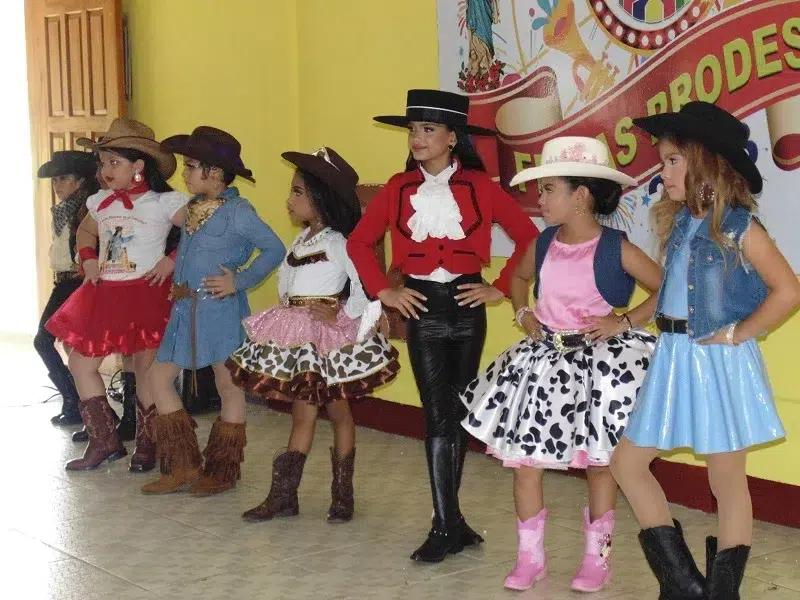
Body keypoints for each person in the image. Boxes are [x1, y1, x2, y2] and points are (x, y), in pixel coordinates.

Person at [610, 101, 800, 600]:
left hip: (718, 363)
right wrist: (627, 320)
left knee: (726, 481)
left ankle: (721, 592)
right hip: (673, 358)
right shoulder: (679, 227)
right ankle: (682, 583)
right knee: (627, 463)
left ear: (707, 163)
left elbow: (788, 290)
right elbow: (669, 293)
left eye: (673, 159)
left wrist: (739, 333)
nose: (663, 170)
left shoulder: (740, 229)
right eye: (663, 160)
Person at [461, 136, 661, 592]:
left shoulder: (615, 247)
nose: (540, 198)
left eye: (549, 189)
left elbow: (665, 289)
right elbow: (519, 278)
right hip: (544, 366)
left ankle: (598, 558)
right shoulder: (544, 242)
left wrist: (623, 320)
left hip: (599, 371)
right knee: (525, 464)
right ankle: (530, 558)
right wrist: (522, 311)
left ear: (582, 196)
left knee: (598, 464)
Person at [346, 89, 537, 562]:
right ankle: (445, 525)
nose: (417, 138)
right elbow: (359, 242)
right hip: (422, 309)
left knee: (458, 413)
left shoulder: (481, 185)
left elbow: (529, 238)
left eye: (428, 130)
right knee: (436, 415)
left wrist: (499, 286)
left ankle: (450, 523)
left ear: (454, 137)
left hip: (467, 307)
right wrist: (385, 291)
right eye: (413, 130)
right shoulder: (397, 187)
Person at [228, 147, 399, 521]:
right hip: (300, 339)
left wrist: (341, 311)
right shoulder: (301, 241)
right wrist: (287, 313)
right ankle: (284, 495)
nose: (288, 200)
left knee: (338, 411)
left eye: (297, 192)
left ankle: (342, 494)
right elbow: (287, 285)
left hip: (327, 340)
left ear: (320, 200)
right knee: (302, 413)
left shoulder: (338, 243)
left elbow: (364, 286)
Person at [141, 126, 284, 496]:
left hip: (220, 311)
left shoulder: (238, 211)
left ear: (215, 172)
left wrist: (240, 280)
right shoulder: (192, 208)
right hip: (184, 309)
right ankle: (183, 464)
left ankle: (222, 470)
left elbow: (274, 249)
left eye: (191, 166)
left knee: (228, 385)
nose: (184, 173)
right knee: (158, 378)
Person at [46, 118, 187, 471]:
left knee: (144, 369)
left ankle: (147, 443)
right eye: (102, 163)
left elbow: (202, 235)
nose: (105, 171)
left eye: (114, 163)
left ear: (138, 165)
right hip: (105, 294)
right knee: (80, 361)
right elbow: (84, 231)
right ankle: (104, 440)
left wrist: (172, 260)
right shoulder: (100, 202)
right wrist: (89, 259)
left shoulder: (164, 202)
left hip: (146, 293)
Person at [34, 151, 99, 426]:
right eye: (54, 180)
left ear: (80, 181)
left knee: (46, 340)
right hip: (63, 281)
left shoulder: (85, 209)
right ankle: (77, 403)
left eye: (63, 179)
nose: (57, 185)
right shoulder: (64, 210)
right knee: (65, 344)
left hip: (75, 282)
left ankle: (74, 401)